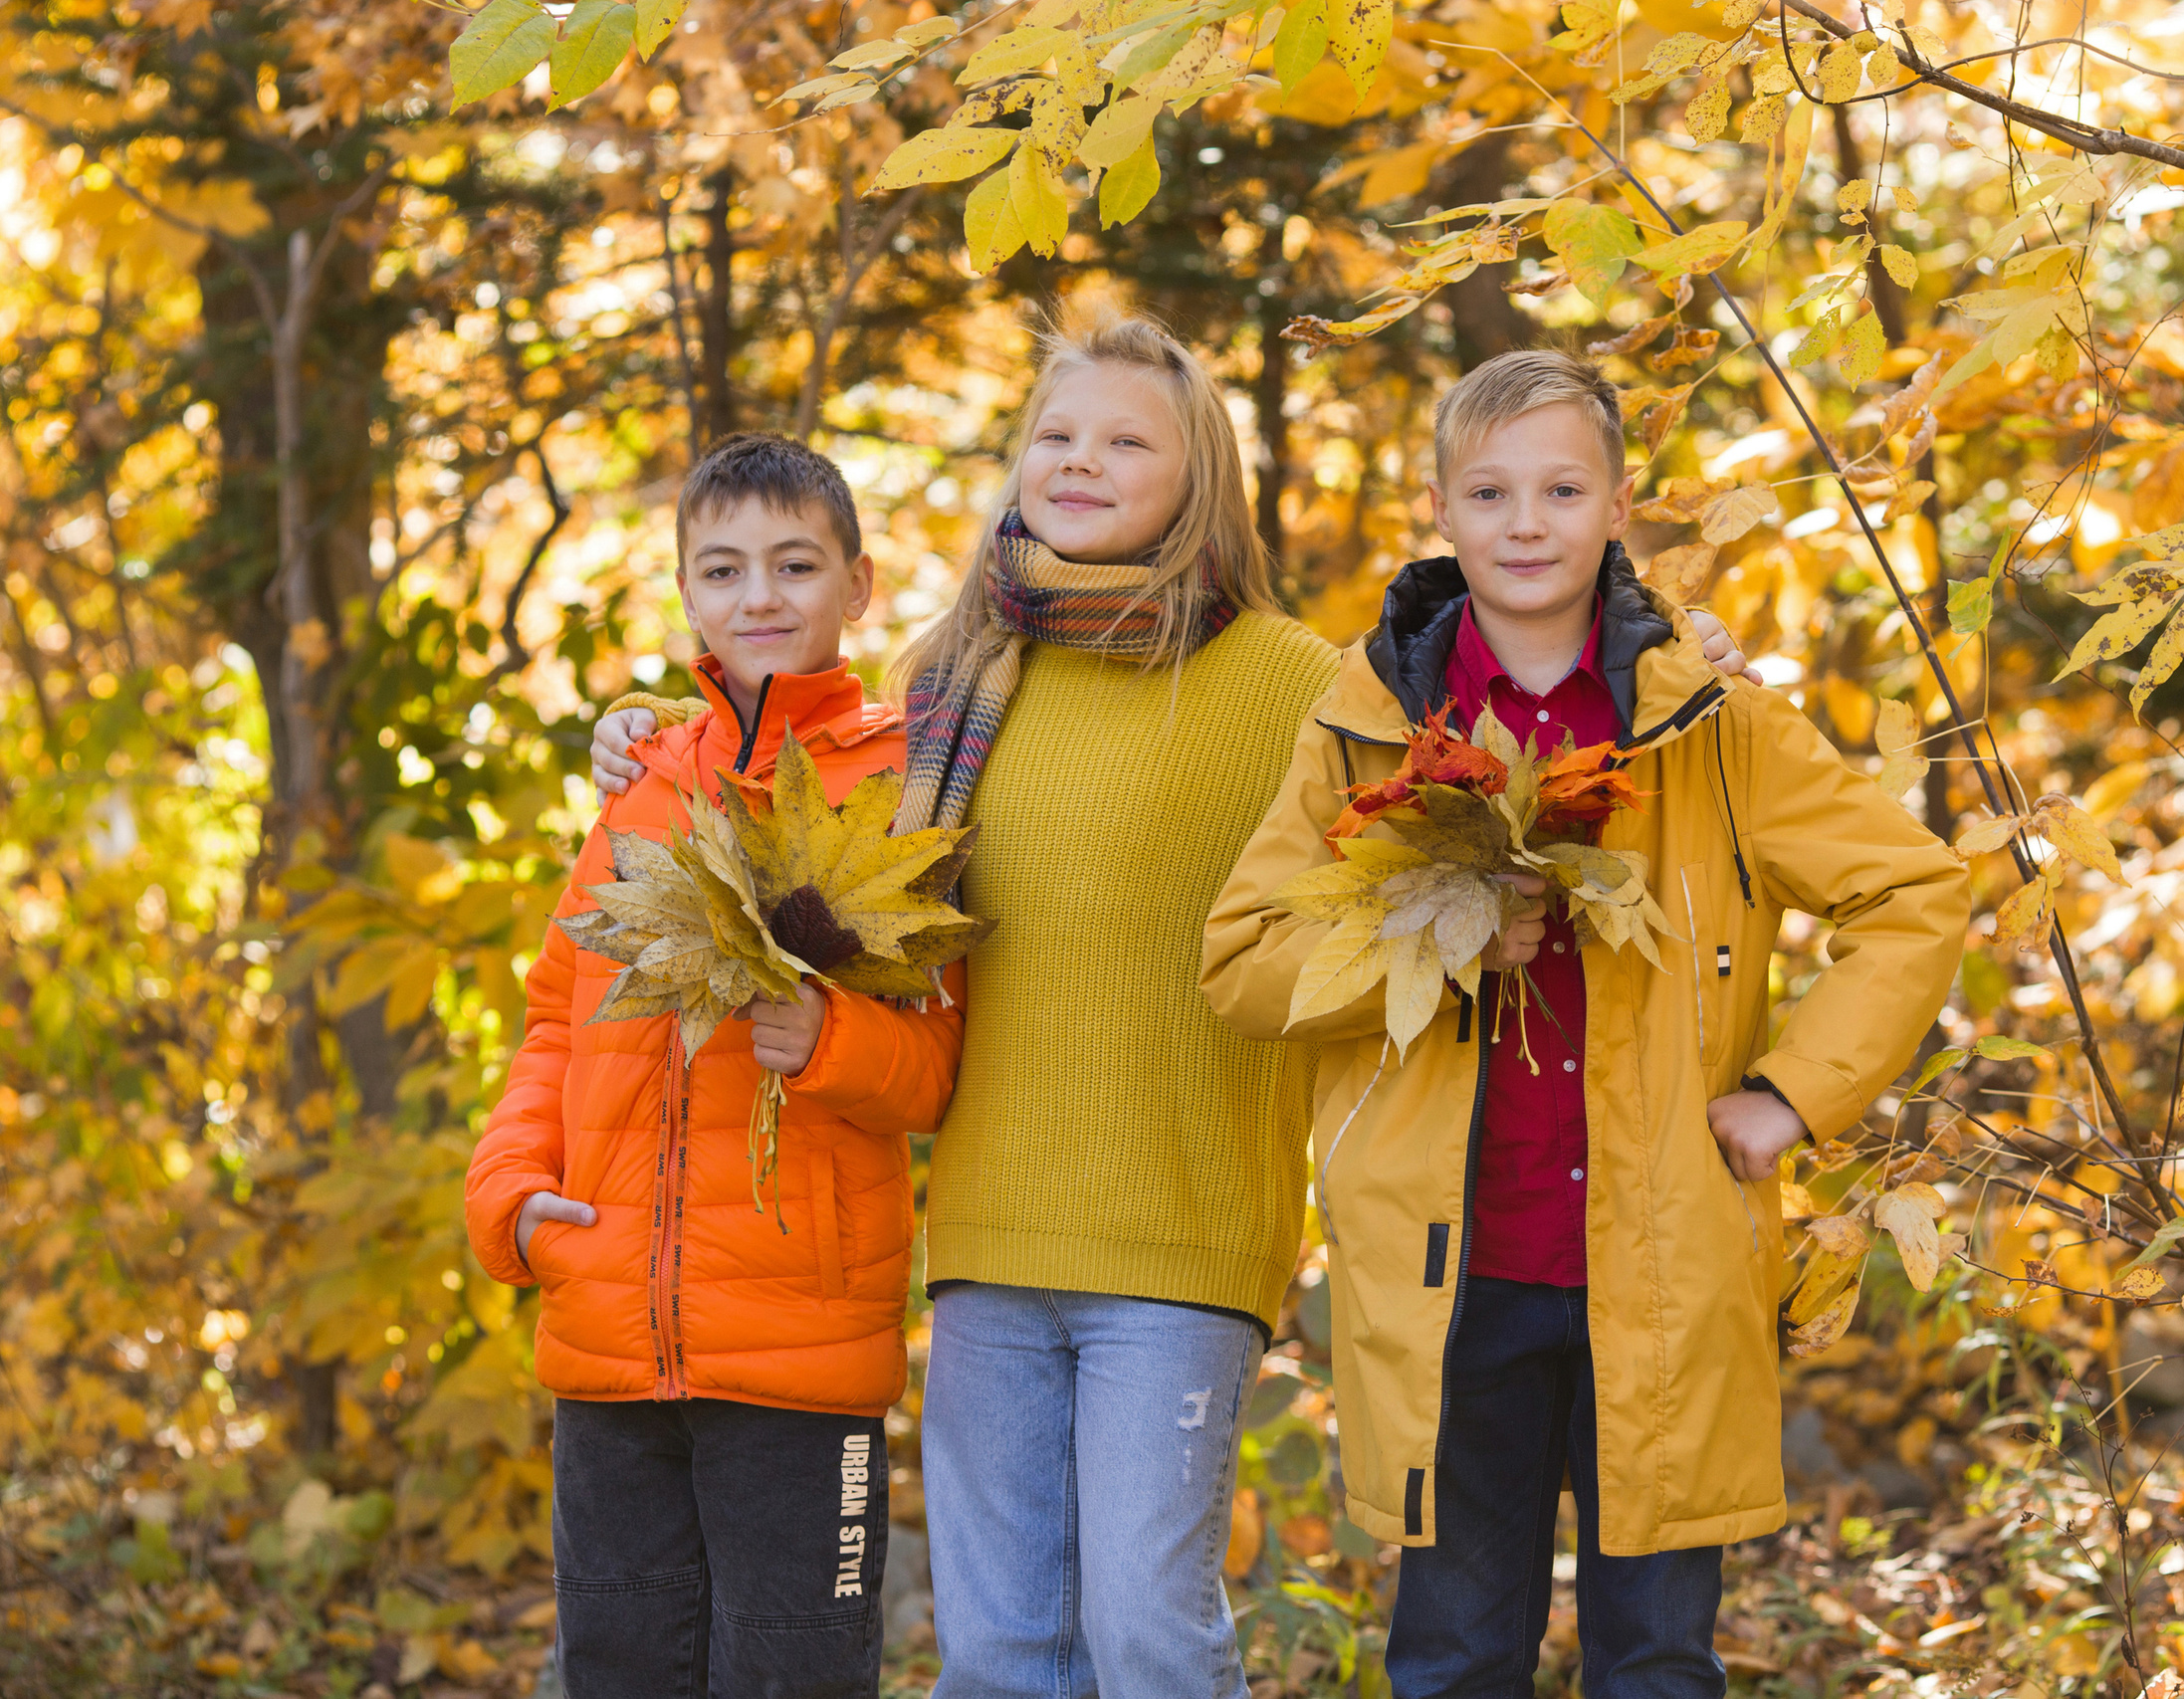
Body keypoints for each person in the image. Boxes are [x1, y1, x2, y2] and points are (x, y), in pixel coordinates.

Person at [584, 319, 1758, 1698]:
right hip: (988, 1219)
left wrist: (1675, 655)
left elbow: (1514, 731)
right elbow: (795, 763)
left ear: (1196, 471)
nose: (1081, 459)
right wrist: (646, 721)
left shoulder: (1291, 676)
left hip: (1184, 1229)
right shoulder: (950, 671)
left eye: (1125, 438)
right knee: (1000, 1648)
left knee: (1147, 1631)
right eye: (1057, 434)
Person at [1201, 350, 1968, 1697]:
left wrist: (1790, 1094)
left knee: (1659, 1656)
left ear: (1618, 504)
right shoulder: (1371, 720)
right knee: (1451, 1650)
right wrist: (1429, 947)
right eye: (1491, 490)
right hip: (1458, 1272)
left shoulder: (1710, 722)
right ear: (1441, 507)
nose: (1527, 520)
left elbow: (1914, 893)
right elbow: (1244, 962)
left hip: (1661, 1261)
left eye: (1563, 487)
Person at [466, 433, 964, 1699]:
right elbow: (556, 1019)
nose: (760, 598)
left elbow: (941, 1068)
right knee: (623, 1664)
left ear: (857, 585)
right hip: (608, 1329)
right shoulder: (642, 787)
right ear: (687, 591)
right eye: (725, 570)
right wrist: (512, 1202)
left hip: (800, 1353)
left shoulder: (904, 791)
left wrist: (834, 1041)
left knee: (793, 1672)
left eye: (795, 565)